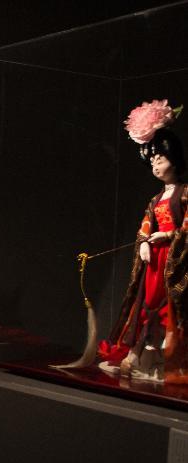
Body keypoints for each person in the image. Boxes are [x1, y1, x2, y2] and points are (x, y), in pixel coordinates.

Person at [105, 99, 188, 382]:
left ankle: (170, 359)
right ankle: (143, 352)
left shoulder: (185, 193)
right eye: (152, 161)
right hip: (154, 261)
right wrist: (143, 242)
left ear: (174, 160)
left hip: (176, 261)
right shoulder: (155, 200)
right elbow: (145, 226)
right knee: (147, 303)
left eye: (160, 159)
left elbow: (187, 228)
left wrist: (168, 235)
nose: (155, 165)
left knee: (170, 304)